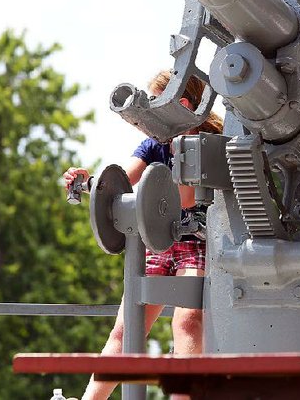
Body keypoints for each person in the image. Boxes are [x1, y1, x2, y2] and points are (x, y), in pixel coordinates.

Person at [63, 70, 223, 400]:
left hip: (198, 244)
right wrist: (89, 182)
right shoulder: (152, 145)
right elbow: (124, 183)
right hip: (159, 242)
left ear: (181, 104)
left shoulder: (209, 144)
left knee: (188, 323)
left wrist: (181, 143)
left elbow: (186, 200)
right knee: (127, 331)